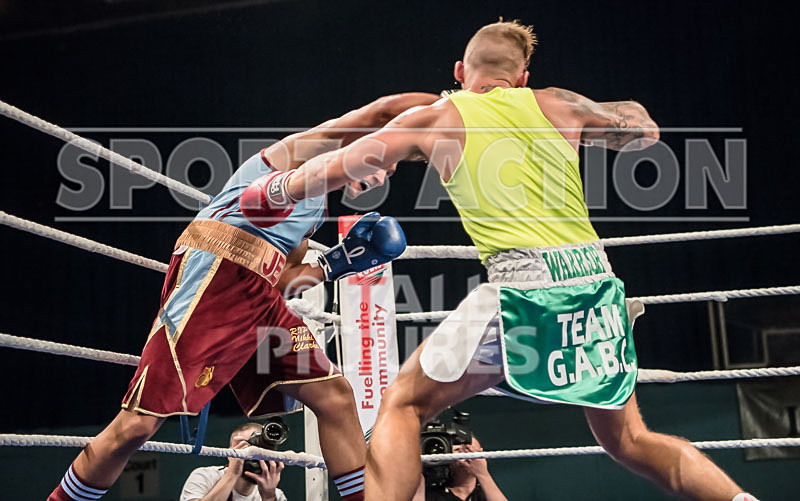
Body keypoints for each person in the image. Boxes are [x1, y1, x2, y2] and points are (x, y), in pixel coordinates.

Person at [244, 19, 760, 501]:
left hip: (524, 289)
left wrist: (276, 188)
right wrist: (591, 114)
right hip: (595, 284)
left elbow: (338, 164)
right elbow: (643, 128)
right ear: (522, 77)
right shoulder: (558, 104)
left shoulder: (438, 117)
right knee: (630, 440)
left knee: (404, 403)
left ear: (459, 73)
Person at [47, 91, 439, 501]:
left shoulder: (312, 213)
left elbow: (280, 283)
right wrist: (458, 105)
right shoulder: (298, 156)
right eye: (385, 156)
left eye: (391, 169)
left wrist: (335, 264)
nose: (384, 171)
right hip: (214, 275)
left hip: (258, 299)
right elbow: (379, 111)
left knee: (336, 397)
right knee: (137, 427)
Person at [180, 422, 287, 501]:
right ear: (230, 453)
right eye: (246, 446)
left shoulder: (276, 495)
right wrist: (232, 474)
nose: (253, 454)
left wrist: (268, 497)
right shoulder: (205, 477)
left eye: (260, 448)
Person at [412, 436, 506, 501]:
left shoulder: (487, 493)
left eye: (469, 449)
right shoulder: (433, 494)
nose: (464, 453)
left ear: (481, 453)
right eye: (457, 449)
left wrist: (483, 474)